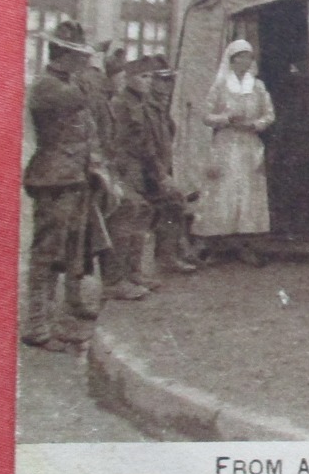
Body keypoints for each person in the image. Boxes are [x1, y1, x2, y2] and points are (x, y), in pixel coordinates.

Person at [21, 20, 115, 351]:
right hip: (54, 179)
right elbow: (81, 97)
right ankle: (37, 326)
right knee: (46, 254)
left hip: (74, 177)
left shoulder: (65, 81)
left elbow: (86, 127)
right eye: (79, 58)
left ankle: (58, 317)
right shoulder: (47, 85)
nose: (83, 64)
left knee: (71, 250)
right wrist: (95, 65)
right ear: (64, 56)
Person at [194, 38, 275, 264]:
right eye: (241, 57)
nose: (245, 61)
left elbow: (269, 114)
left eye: (249, 57)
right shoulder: (220, 86)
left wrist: (256, 124)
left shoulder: (257, 87)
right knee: (223, 192)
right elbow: (206, 116)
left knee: (248, 194)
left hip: (249, 144)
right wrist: (226, 118)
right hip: (226, 144)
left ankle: (245, 245)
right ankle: (217, 245)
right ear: (232, 60)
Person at [104, 56, 177, 298]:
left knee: (141, 217)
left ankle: (133, 272)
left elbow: (149, 142)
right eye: (143, 77)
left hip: (140, 167)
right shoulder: (121, 104)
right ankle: (114, 280)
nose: (148, 81)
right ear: (129, 79)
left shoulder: (141, 103)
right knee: (124, 218)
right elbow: (123, 142)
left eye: (149, 77)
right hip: (125, 168)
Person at [146, 55, 199, 274]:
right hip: (146, 171)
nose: (167, 86)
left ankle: (173, 252)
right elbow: (146, 146)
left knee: (177, 201)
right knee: (173, 201)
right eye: (162, 80)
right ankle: (167, 256)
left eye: (169, 81)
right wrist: (160, 175)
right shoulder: (147, 106)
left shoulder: (161, 106)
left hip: (159, 167)